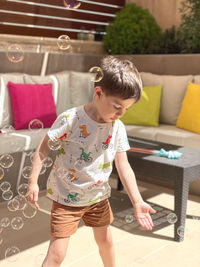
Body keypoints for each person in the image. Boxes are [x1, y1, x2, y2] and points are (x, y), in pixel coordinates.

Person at [28, 56, 156, 267]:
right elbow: (43, 148)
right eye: (117, 106)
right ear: (98, 93)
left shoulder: (118, 127)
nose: (121, 113)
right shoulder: (71, 119)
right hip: (66, 199)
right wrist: (33, 181)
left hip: (97, 197)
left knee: (106, 242)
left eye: (126, 109)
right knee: (57, 254)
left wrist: (137, 200)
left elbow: (124, 166)